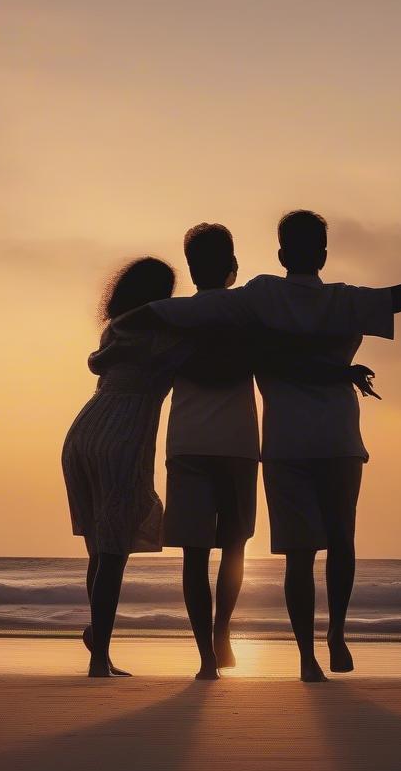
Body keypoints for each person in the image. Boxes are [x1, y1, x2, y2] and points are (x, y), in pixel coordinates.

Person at [120, 212, 401, 681]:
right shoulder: (344, 300)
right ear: (324, 255)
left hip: (285, 443)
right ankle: (336, 634)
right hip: (339, 438)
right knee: (341, 541)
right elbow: (400, 299)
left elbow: (187, 311)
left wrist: (125, 319)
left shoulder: (261, 295)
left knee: (299, 555)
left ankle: (307, 659)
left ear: (281, 255)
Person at [61, 252, 377, 679]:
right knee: (117, 548)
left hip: (85, 430)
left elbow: (101, 365)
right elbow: (225, 366)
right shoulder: (167, 331)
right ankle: (101, 657)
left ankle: (101, 642)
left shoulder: (118, 329)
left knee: (103, 547)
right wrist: (322, 368)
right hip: (124, 436)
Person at [163, 223, 379, 680]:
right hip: (240, 447)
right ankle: (225, 636)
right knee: (236, 550)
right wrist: (337, 372)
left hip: (188, 446)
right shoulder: (249, 314)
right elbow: (280, 355)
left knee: (196, 555)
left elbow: (151, 358)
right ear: (234, 267)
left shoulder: (173, 315)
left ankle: (208, 655)